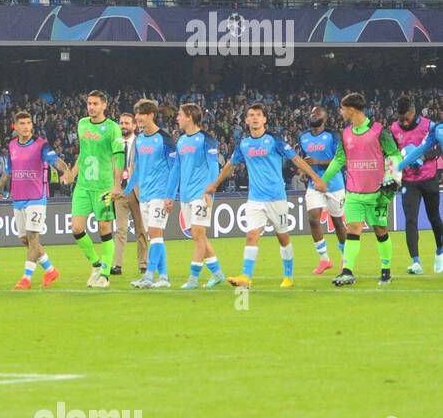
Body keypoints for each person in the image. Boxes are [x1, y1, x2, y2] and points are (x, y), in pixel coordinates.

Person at [205, 103, 326, 289]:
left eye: (258, 115)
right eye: (251, 115)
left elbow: (296, 159)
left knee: (282, 236)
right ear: (246, 120)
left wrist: (316, 177)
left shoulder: (275, 141)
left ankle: (288, 275)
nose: (254, 118)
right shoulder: (244, 144)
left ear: (264, 119)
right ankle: (246, 276)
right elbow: (230, 165)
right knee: (252, 236)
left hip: (276, 198)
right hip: (255, 199)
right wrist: (214, 184)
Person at [323, 93, 403, 287]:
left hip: (377, 194)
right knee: (353, 230)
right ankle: (347, 272)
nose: (340, 112)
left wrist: (392, 178)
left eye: (342, 108)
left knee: (380, 229)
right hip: (354, 193)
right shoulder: (346, 133)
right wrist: (323, 179)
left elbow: (394, 154)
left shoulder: (378, 131)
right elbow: (340, 159)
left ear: (350, 109)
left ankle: (386, 270)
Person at [63, 90, 125, 289]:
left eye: (95, 103)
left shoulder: (113, 128)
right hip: (83, 185)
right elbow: (83, 154)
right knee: (76, 228)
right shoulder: (82, 124)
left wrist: (116, 185)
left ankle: (105, 274)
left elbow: (118, 157)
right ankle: (96, 264)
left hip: (103, 187)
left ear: (104, 105)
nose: (91, 107)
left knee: (104, 229)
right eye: (89, 103)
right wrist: (72, 173)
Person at [1, 111, 68, 289]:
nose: (26, 127)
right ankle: (50, 269)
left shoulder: (41, 144)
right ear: (15, 126)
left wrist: (66, 171)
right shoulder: (12, 146)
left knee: (32, 236)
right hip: (18, 198)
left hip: (36, 198)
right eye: (22, 123)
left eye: (28, 123)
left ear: (32, 125)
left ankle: (26, 278)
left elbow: (55, 160)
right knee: (26, 239)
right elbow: (8, 171)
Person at [120, 100, 177, 288]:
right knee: (155, 236)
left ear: (151, 115)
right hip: (144, 195)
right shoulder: (140, 140)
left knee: (155, 232)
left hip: (160, 194)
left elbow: (175, 167)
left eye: (141, 114)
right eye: (136, 115)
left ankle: (149, 276)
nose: (137, 118)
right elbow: (136, 169)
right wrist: (126, 191)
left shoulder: (165, 139)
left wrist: (170, 195)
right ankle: (164, 276)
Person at [174, 103, 226, 289]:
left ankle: (193, 278)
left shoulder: (206, 139)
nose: (177, 118)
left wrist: (210, 191)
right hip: (186, 196)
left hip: (201, 194)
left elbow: (214, 166)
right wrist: (170, 195)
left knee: (198, 234)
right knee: (199, 237)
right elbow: (176, 169)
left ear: (189, 116)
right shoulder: (180, 141)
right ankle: (218, 273)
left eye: (180, 115)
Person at [389, 97, 443, 274]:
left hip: (429, 177)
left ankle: (440, 252)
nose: (403, 121)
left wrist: (423, 157)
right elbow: (392, 152)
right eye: (400, 118)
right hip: (409, 181)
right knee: (410, 219)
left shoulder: (429, 126)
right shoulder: (394, 129)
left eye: (406, 117)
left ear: (413, 112)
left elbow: (438, 149)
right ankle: (416, 262)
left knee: (434, 217)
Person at [298, 106, 347, 275]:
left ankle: (344, 257)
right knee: (312, 219)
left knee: (338, 222)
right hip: (314, 184)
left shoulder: (333, 136)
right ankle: (325, 259)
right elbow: (305, 160)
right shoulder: (303, 137)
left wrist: (317, 161)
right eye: (312, 113)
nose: (314, 115)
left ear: (325, 119)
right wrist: (304, 170)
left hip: (334, 185)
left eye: (318, 113)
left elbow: (340, 159)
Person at [113, 111, 149, 277]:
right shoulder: (115, 143)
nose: (123, 126)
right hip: (120, 190)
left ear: (134, 126)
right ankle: (117, 265)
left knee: (140, 229)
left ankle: (143, 263)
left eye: (127, 123)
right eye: (121, 123)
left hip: (137, 190)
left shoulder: (141, 142)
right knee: (120, 230)